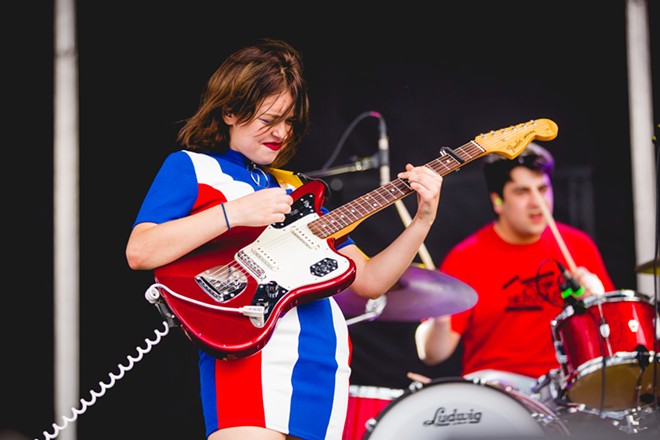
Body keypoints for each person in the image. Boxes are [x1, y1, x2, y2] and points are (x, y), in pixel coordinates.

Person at [125, 38, 443, 440]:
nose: (280, 132)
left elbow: (370, 281)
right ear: (229, 111)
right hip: (247, 355)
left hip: (323, 360)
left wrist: (422, 220)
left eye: (289, 121)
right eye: (268, 119)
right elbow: (141, 250)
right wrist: (234, 213)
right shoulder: (193, 167)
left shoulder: (299, 192)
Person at [414, 142, 615, 395]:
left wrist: (598, 301)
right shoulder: (466, 257)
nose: (537, 203)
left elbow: (614, 342)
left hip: (567, 391)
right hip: (495, 394)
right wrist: (440, 318)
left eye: (542, 189)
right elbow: (432, 354)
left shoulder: (578, 247)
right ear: (497, 201)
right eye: (522, 192)